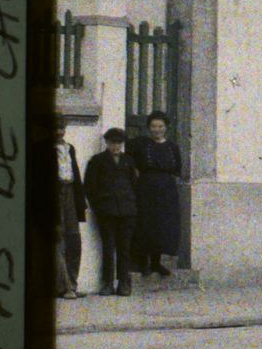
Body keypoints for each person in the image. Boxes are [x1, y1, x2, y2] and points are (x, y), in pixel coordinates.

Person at [84, 127, 139, 296]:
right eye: (112, 143)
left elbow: (134, 184)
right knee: (108, 247)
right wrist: (99, 206)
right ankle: (107, 283)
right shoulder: (97, 161)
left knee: (124, 248)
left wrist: (131, 203)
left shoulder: (128, 161)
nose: (116, 146)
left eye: (119, 143)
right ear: (106, 143)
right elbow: (89, 186)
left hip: (126, 211)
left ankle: (124, 283)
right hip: (107, 211)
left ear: (122, 144)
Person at [131, 110, 184, 277]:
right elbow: (131, 160)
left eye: (160, 126)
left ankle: (156, 263)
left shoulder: (172, 147)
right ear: (148, 127)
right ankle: (142, 263)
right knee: (146, 222)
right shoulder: (142, 144)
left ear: (166, 128)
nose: (157, 129)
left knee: (162, 224)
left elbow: (177, 169)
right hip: (146, 188)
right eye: (153, 126)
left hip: (166, 189)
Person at [52, 116, 87, 299]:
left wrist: (80, 202)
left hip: (70, 193)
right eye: (55, 128)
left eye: (62, 128)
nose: (59, 132)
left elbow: (76, 174)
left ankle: (72, 284)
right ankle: (64, 287)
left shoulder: (69, 148)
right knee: (58, 239)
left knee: (74, 240)